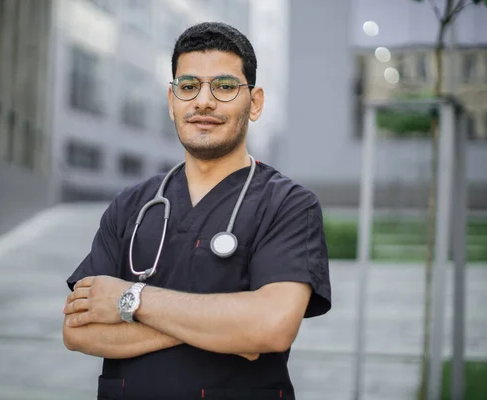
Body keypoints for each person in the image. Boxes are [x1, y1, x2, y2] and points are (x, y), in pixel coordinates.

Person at [62, 21, 331, 400]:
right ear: (172, 103)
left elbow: (269, 327)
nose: (203, 101)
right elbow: (78, 331)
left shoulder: (287, 204)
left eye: (224, 87)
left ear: (254, 103)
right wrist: (225, 327)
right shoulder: (131, 205)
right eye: (188, 87)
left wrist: (131, 300)